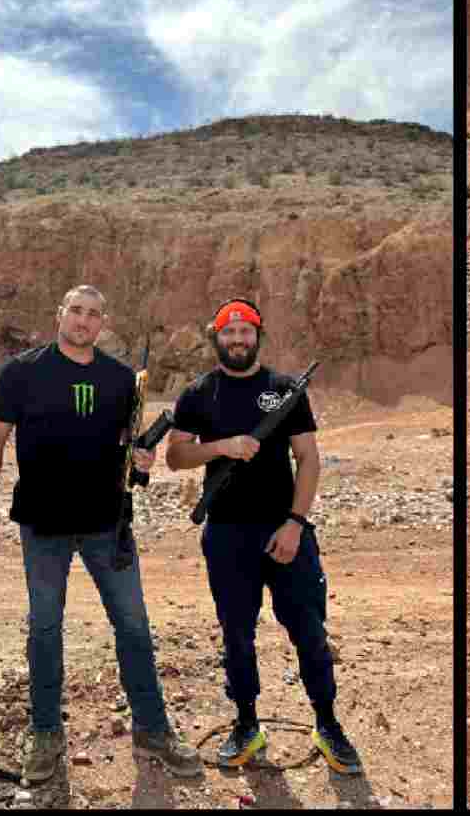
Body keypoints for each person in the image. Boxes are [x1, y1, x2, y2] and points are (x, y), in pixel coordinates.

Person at [0, 285, 202, 783]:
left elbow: (132, 457)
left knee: (135, 627)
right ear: (60, 315)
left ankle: (153, 728)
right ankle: (46, 733)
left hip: (107, 524)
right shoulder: (21, 372)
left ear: (103, 324)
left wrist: (144, 461)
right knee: (46, 630)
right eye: (75, 310)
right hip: (43, 526)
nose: (83, 320)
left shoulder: (122, 380)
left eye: (93, 314)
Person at [165, 298, 361, 775]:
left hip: (285, 531)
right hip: (227, 535)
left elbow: (308, 460)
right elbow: (176, 456)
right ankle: (247, 723)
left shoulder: (285, 390)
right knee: (236, 635)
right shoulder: (198, 393)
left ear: (258, 336)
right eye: (229, 333)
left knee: (309, 632)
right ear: (216, 337)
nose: (238, 340)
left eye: (246, 332)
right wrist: (223, 447)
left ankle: (328, 723)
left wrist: (294, 523)